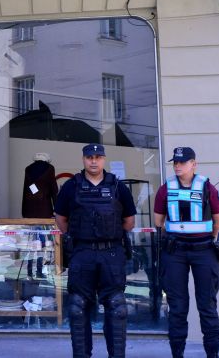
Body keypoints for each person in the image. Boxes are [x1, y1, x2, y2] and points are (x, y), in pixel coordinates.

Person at [55, 143, 136, 358]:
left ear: (104, 159)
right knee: (77, 307)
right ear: (83, 159)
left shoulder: (118, 187)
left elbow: (129, 221)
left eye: (98, 157)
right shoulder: (71, 186)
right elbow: (61, 220)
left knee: (117, 307)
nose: (93, 160)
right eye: (89, 157)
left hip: (111, 253)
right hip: (82, 253)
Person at [154, 147, 219, 358]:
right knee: (177, 307)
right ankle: (178, 354)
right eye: (175, 162)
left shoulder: (207, 188)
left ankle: (212, 355)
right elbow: (158, 221)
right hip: (175, 251)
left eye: (182, 162)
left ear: (194, 164)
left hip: (204, 251)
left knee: (207, 306)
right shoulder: (165, 189)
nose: (177, 165)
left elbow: (218, 221)